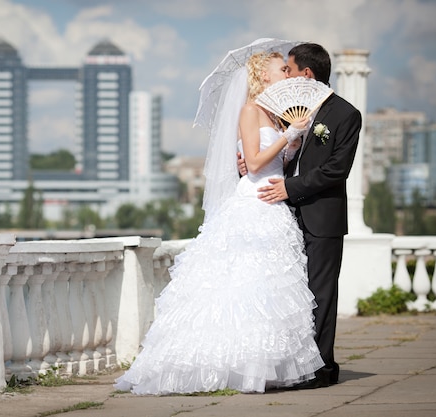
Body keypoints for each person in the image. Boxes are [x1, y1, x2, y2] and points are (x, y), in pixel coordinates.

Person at [113, 42, 324, 395]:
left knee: (266, 290)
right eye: (281, 70)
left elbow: (274, 164)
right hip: (253, 204)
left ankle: (261, 366)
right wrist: (289, 135)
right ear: (262, 75)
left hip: (273, 203)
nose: (287, 74)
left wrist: (290, 144)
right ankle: (224, 364)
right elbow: (254, 164)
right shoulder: (249, 110)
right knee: (239, 284)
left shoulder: (276, 114)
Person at [241, 43, 362, 389]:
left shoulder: (345, 114)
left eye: (290, 71)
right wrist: (254, 166)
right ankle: (295, 365)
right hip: (285, 218)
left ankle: (322, 370)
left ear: (306, 74)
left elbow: (336, 170)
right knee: (293, 296)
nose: (286, 77)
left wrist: (289, 188)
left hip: (322, 217)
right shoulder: (287, 112)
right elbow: (276, 157)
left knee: (321, 294)